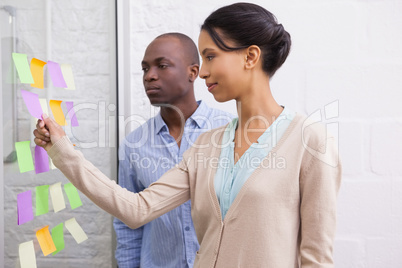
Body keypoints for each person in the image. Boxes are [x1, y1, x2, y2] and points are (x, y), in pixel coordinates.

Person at [34, 3, 341, 267]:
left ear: (250, 57)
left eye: (210, 57)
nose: (203, 72)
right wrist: (62, 149)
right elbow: (137, 209)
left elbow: (316, 258)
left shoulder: (309, 141)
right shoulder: (208, 144)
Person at [113, 33, 232, 268]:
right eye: (145, 69)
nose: (150, 76)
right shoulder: (133, 144)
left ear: (193, 72)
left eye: (162, 65)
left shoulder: (229, 132)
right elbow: (127, 224)